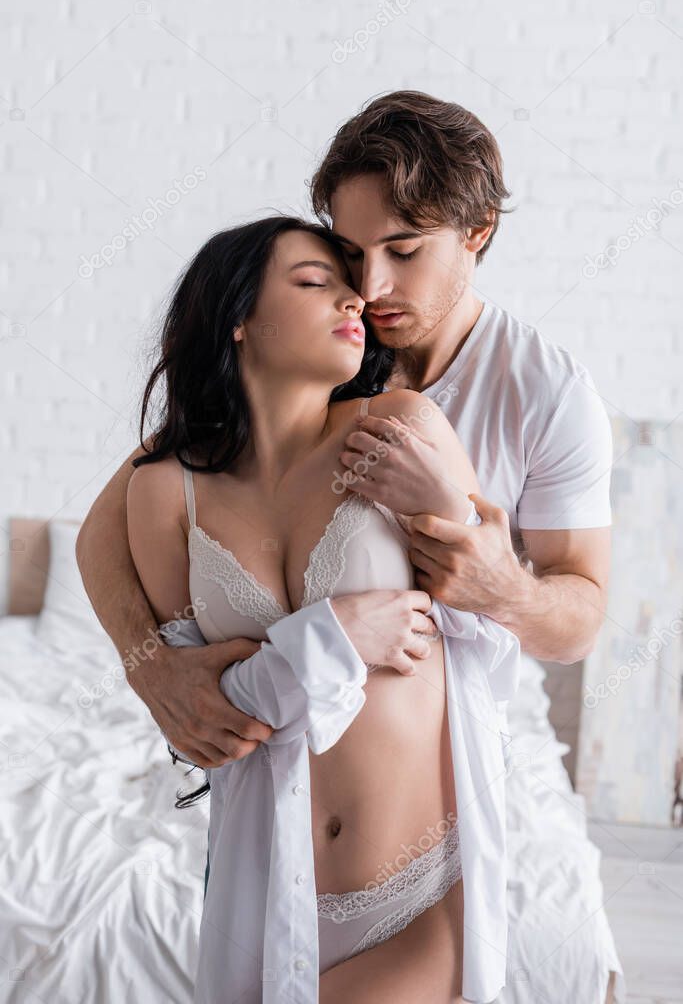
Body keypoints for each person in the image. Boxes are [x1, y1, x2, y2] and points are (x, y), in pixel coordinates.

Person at [77, 90, 623, 1002]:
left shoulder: (542, 392)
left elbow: (577, 620)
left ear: (477, 230)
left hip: (423, 832)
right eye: (345, 254)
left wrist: (496, 585)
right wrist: (150, 669)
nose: (366, 290)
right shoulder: (271, 393)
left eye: (402, 253)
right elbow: (109, 528)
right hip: (271, 840)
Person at [124, 214, 520, 1003]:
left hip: (421, 888)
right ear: (236, 319)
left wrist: (450, 506)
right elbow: (205, 721)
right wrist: (334, 637)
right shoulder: (166, 490)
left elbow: (489, 629)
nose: (353, 301)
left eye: (350, 288)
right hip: (267, 892)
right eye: (315, 284)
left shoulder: (397, 428)